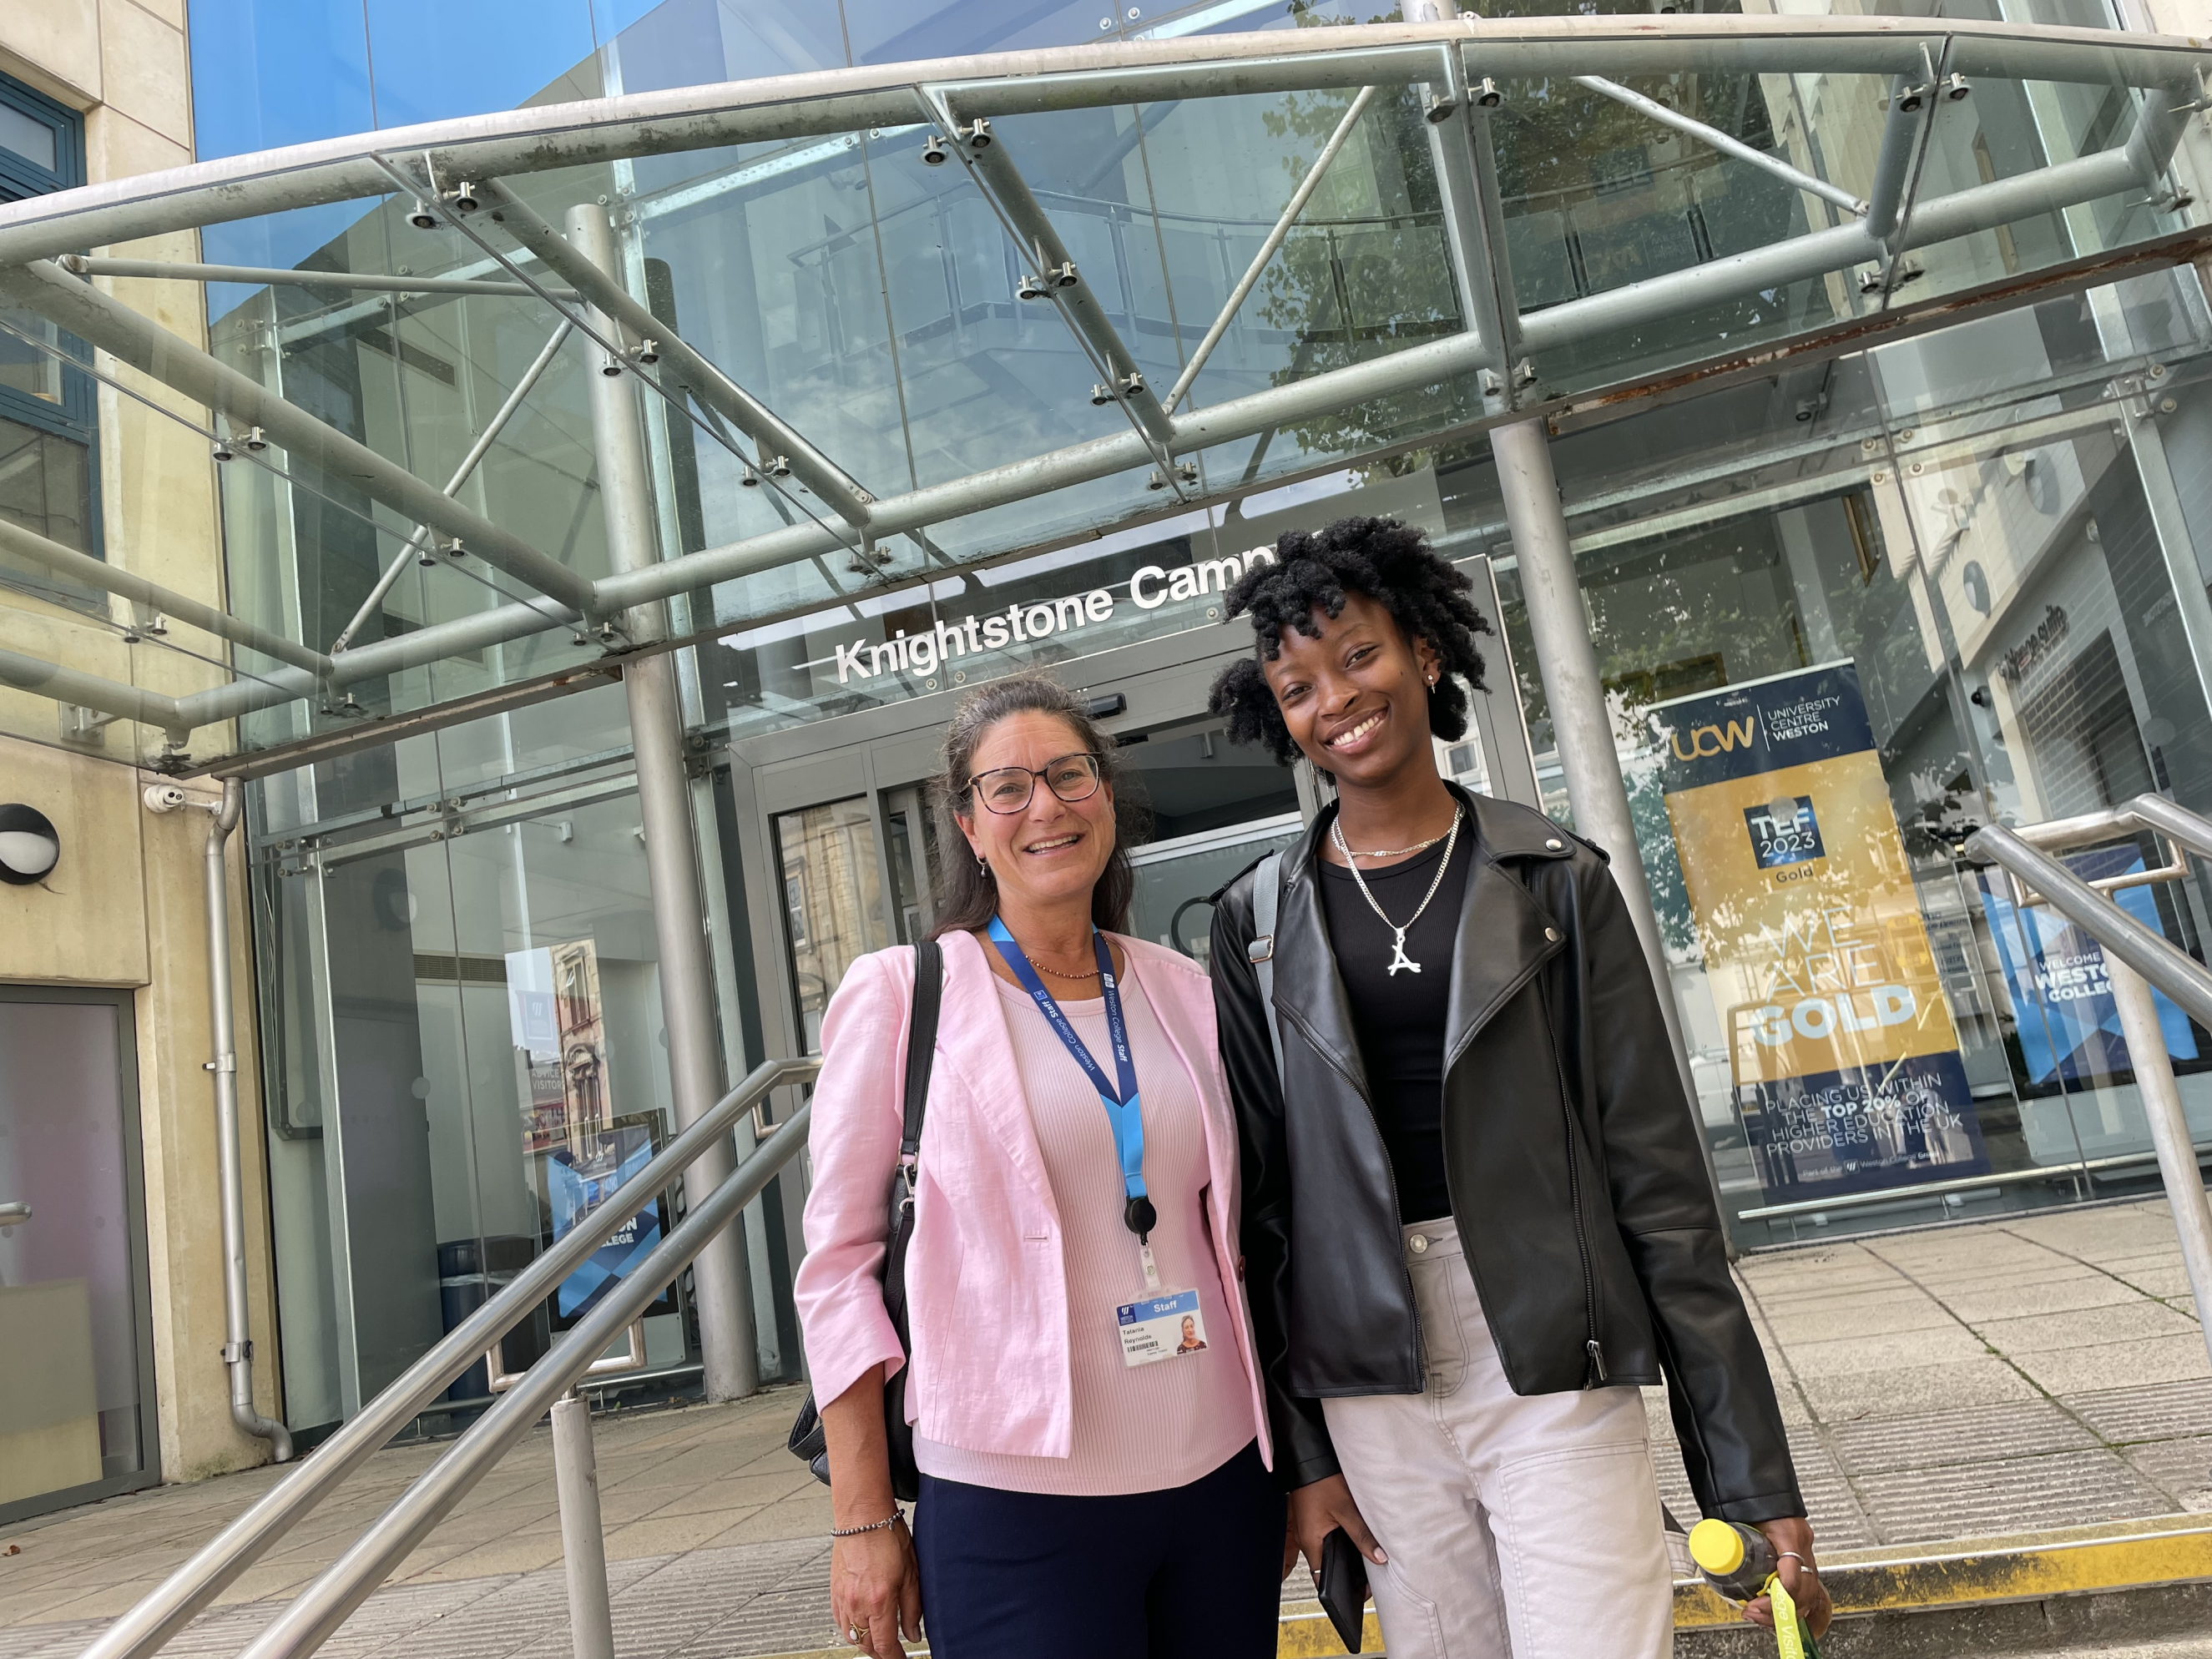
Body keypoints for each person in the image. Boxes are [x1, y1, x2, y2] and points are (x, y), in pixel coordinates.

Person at [1204, 517, 1833, 1657]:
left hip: (1546, 1335)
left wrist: (1747, 1476)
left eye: (1358, 656)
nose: (1335, 698)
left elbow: (1659, 1186)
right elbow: (1255, 1214)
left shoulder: (1555, 880)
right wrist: (1304, 1457)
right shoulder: (1252, 921)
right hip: (1365, 1369)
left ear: (1424, 655)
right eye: (1297, 686)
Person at [795, 674, 1284, 1659]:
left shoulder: (1185, 989)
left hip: (1222, 1482)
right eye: (1007, 787)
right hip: (1013, 1504)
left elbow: (1250, 1228)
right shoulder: (902, 994)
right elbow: (837, 1266)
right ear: (969, 826)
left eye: (1069, 774)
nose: (1046, 806)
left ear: (1105, 795)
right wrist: (862, 1517)